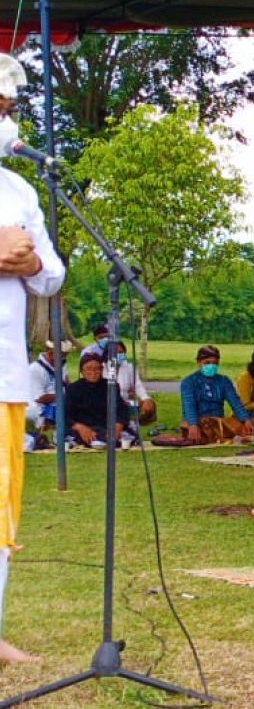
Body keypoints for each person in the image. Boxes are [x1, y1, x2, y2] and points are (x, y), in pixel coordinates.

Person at [0, 51, 66, 663]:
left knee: (0, 507)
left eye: (10, 107)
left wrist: (34, 263)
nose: (7, 117)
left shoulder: (18, 188)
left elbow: (52, 275)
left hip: (3, 377)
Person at [180, 345, 254, 444]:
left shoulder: (224, 381)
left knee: (242, 426)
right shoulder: (189, 382)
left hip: (217, 423)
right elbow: (189, 406)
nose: (211, 366)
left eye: (214, 363)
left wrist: (246, 419)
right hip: (197, 422)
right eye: (207, 363)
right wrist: (193, 424)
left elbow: (235, 402)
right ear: (198, 363)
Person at [26, 340, 72, 435]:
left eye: (65, 355)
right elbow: (40, 399)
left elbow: (68, 383)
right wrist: (63, 395)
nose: (65, 357)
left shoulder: (62, 364)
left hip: (61, 404)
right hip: (40, 410)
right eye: (63, 354)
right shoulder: (34, 369)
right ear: (51, 353)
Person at [113, 342, 155, 426]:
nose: (118, 355)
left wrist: (145, 398)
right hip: (107, 406)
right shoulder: (102, 368)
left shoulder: (129, 367)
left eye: (121, 353)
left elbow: (137, 385)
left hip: (126, 405)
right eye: (115, 353)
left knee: (148, 406)